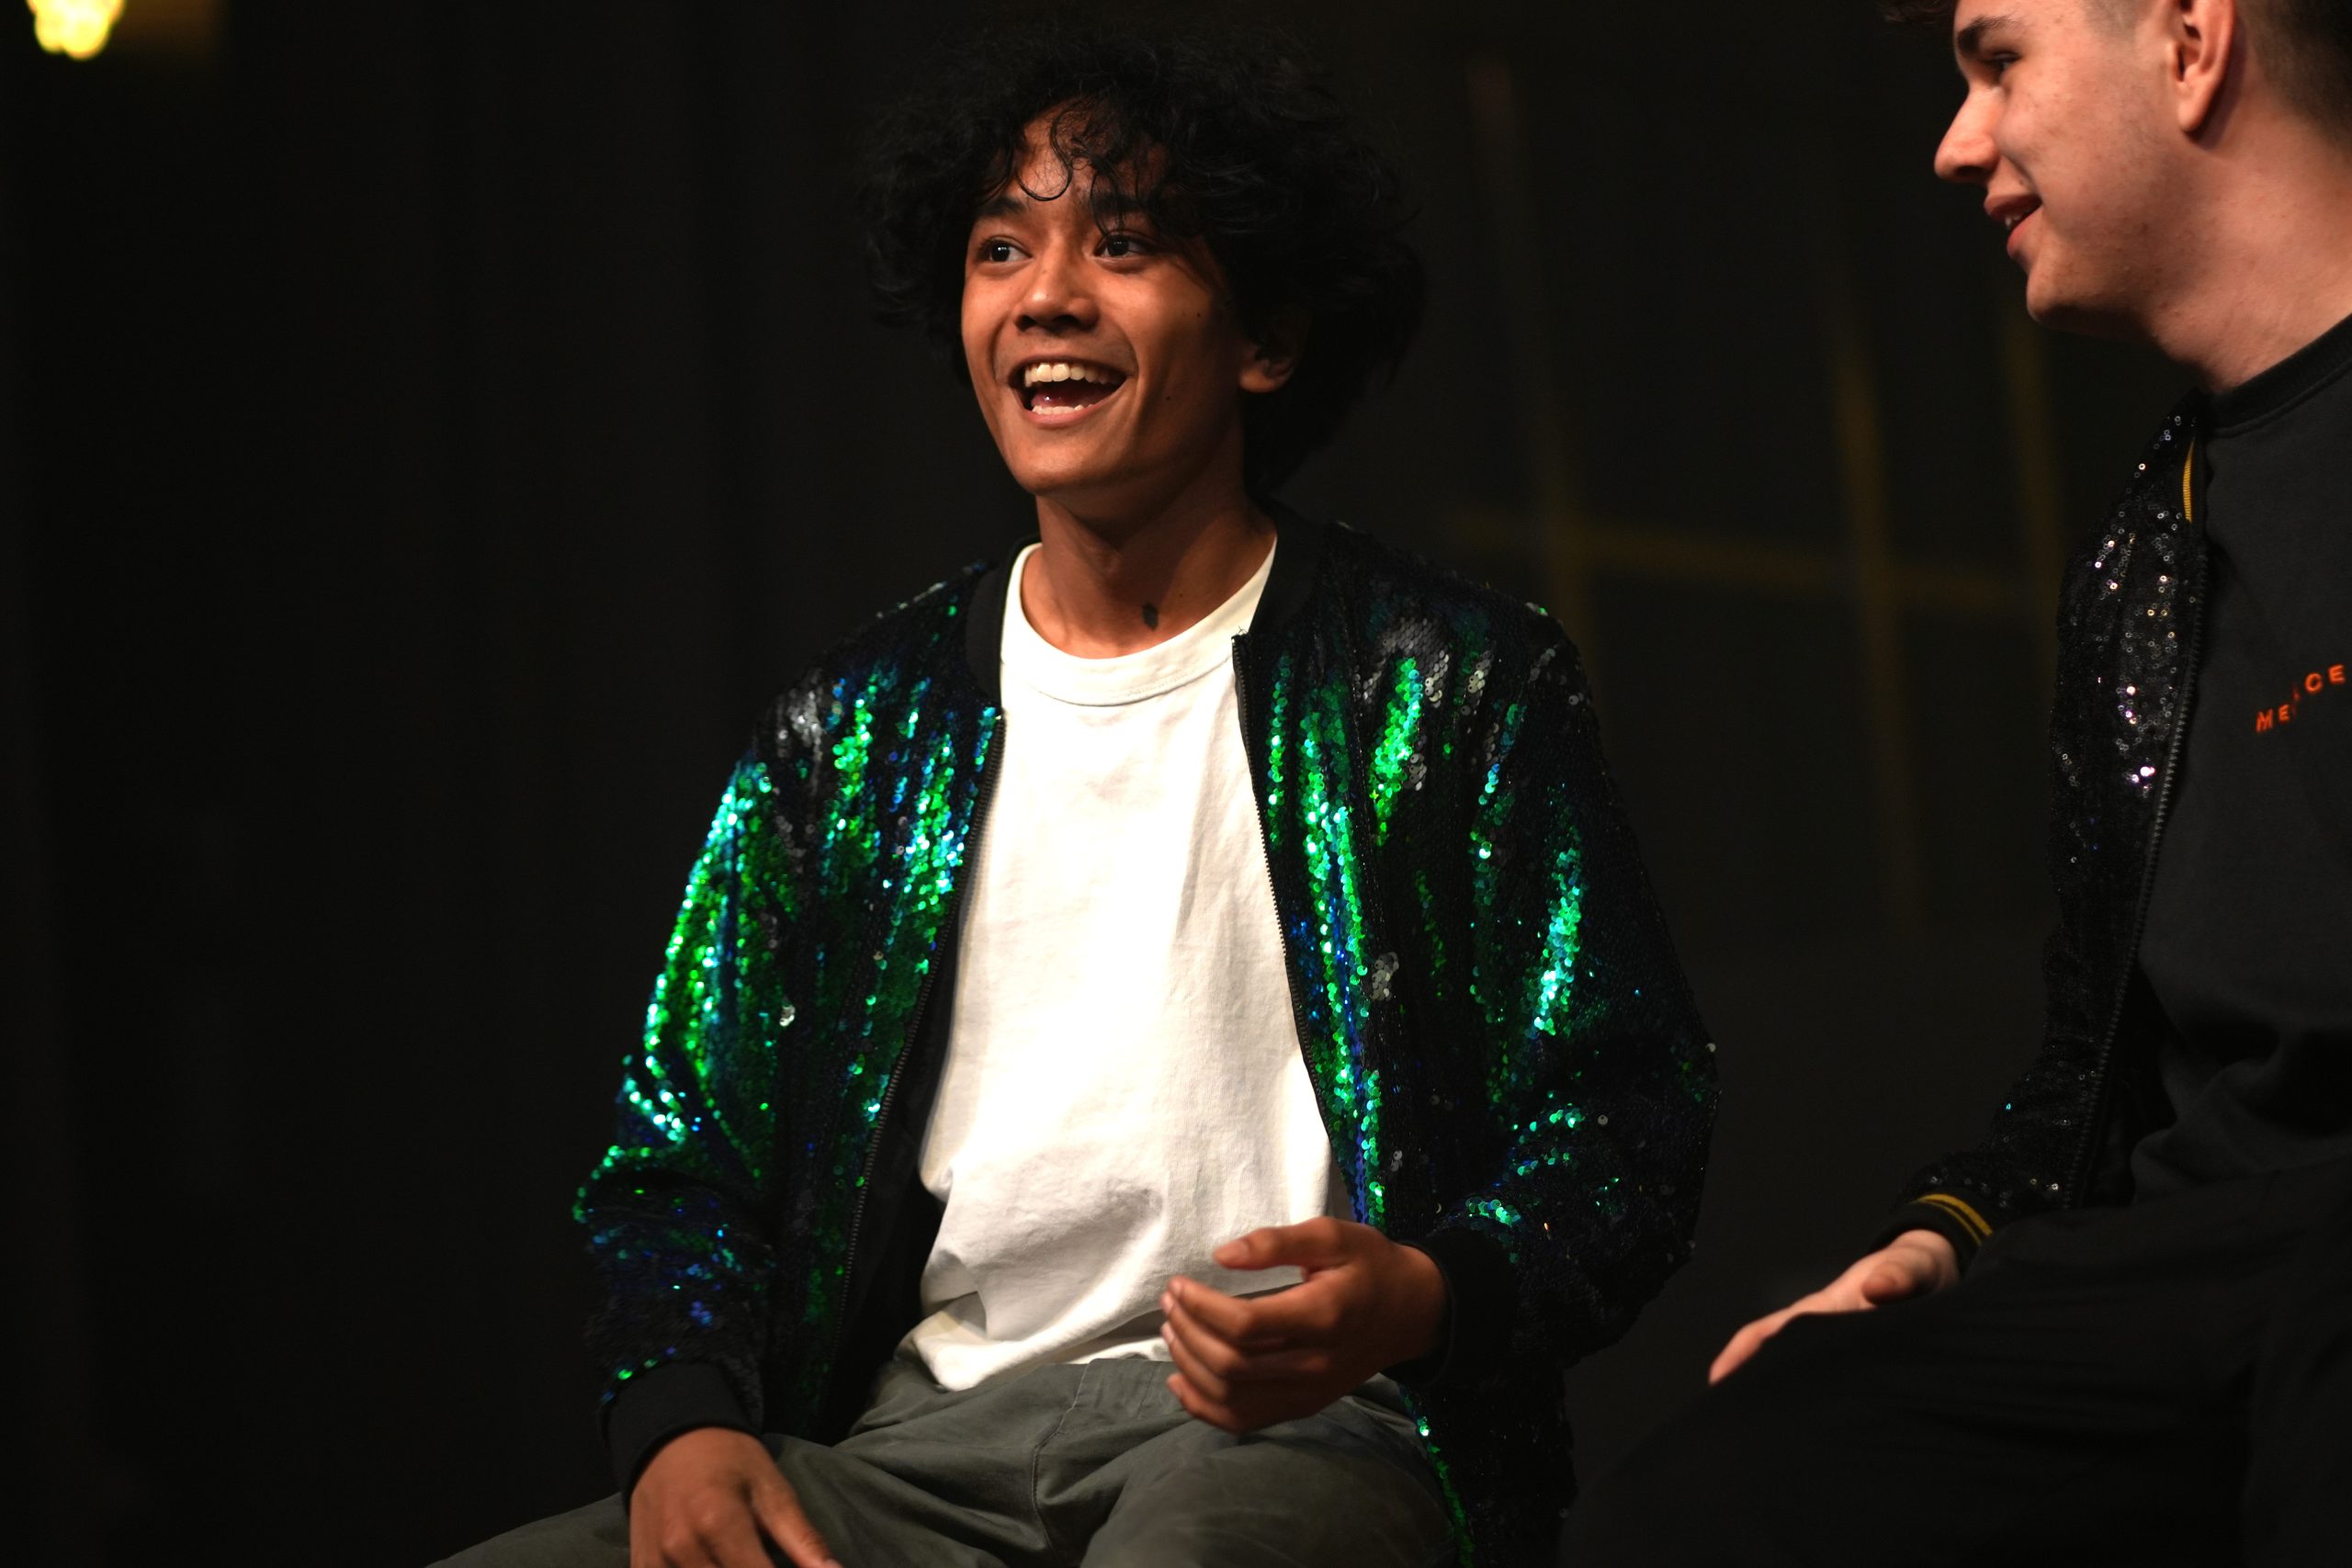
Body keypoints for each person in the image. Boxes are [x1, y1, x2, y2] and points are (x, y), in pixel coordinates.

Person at [442, 21, 1715, 1568]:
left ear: (1264, 335)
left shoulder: (1452, 684)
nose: (1044, 295)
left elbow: (1624, 1120)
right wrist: (682, 1425)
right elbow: (679, 1157)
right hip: (921, 1450)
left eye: (1122, 244)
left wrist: (1427, 1295)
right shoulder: (849, 733)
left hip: (1304, 1427)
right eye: (1000, 248)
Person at [1565, 0, 2352, 1562]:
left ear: (2192, 43)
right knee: (1714, 1496)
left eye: (1999, 62)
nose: (1954, 142)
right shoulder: (2142, 560)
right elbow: (2098, 1065)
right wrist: (1943, 1241)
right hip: (2184, 1273)